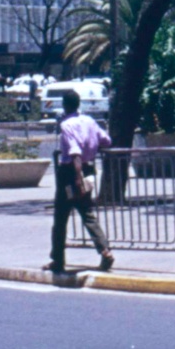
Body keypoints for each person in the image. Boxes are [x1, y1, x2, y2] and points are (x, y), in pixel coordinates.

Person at [45, 90, 115, 274]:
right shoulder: (90, 121)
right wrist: (91, 148)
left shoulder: (67, 125)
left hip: (70, 174)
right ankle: (105, 250)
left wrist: (77, 179)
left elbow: (75, 153)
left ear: (65, 104)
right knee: (87, 212)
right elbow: (106, 141)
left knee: (61, 218)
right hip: (88, 169)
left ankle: (58, 260)